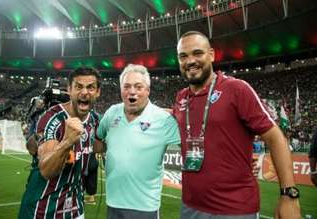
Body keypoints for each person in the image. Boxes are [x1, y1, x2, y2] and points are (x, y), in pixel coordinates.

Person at [173, 31, 301, 219]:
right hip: (190, 206)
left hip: (234, 209)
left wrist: (289, 195)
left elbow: (275, 138)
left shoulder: (236, 89)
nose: (190, 61)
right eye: (183, 56)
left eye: (197, 53)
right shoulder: (181, 97)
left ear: (211, 54)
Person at [97, 64, 180, 219]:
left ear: (147, 90)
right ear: (121, 90)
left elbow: (191, 146)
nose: (132, 91)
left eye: (138, 86)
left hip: (145, 207)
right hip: (113, 204)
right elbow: (98, 140)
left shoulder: (164, 119)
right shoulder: (111, 113)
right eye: (126, 86)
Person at [18, 67, 101, 219]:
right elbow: (47, 171)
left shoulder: (95, 119)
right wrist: (68, 141)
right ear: (69, 90)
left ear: (98, 92)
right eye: (78, 87)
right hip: (43, 210)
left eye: (91, 87)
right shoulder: (52, 118)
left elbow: (99, 146)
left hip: (76, 209)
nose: (84, 92)